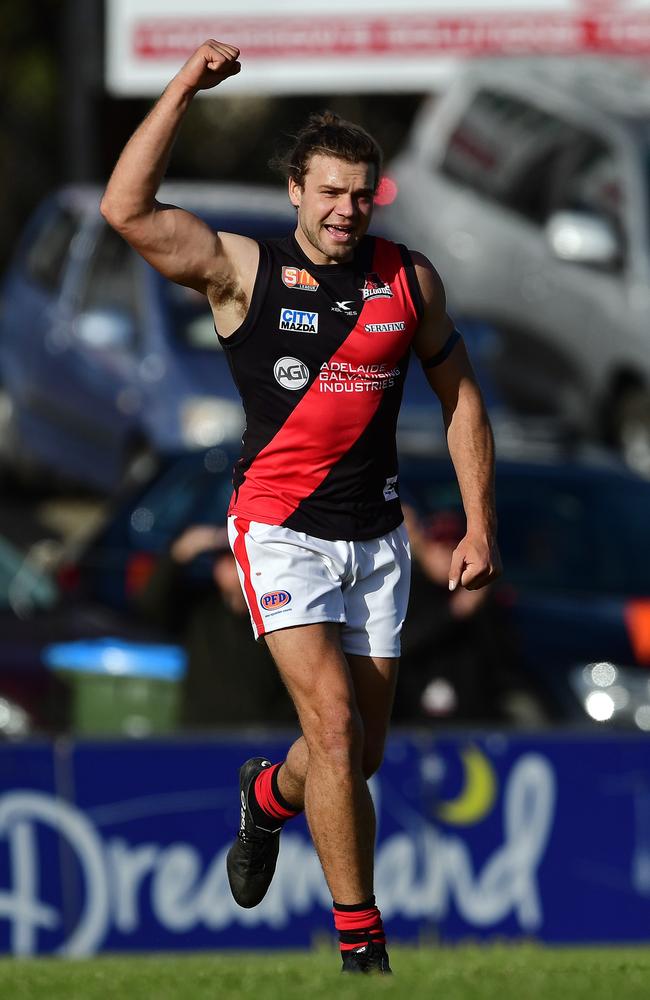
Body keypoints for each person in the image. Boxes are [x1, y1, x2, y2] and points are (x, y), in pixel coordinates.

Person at [100, 40, 501, 975]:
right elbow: (125, 209)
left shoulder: (409, 280)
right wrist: (186, 87)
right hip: (279, 531)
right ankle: (363, 948)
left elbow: (464, 398)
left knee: (353, 757)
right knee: (330, 727)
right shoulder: (246, 272)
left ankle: (266, 800)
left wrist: (480, 521)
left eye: (360, 193)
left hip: (380, 539)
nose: (345, 210)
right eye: (329, 191)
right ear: (295, 190)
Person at [135, 524, 296, 727]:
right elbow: (149, 603)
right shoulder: (198, 607)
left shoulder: (280, 609)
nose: (232, 567)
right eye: (225, 560)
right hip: (204, 736)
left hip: (267, 735)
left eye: (240, 558)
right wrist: (179, 553)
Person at [395, 508, 542, 725]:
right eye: (440, 545)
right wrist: (453, 613)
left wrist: (478, 605)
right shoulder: (407, 590)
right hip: (415, 715)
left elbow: (505, 658)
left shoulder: (483, 596)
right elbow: (401, 645)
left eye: (454, 546)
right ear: (425, 548)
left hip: (476, 715)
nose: (447, 554)